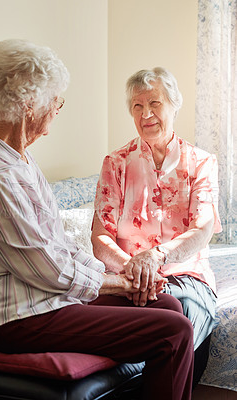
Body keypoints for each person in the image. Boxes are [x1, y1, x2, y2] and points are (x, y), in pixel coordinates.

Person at [0, 41, 193, 400]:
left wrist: (120, 278)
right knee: (173, 330)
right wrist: (121, 285)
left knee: (168, 306)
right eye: (55, 101)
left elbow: (61, 246)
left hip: (49, 301)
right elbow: (48, 269)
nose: (57, 111)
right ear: (30, 105)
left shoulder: (20, 162)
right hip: (20, 317)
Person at [92, 67, 222, 386]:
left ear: (173, 104)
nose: (146, 113)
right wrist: (135, 270)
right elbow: (99, 238)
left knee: (184, 312)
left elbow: (202, 230)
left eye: (155, 103)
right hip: (127, 277)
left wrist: (156, 258)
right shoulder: (116, 162)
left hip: (186, 274)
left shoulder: (201, 163)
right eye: (137, 106)